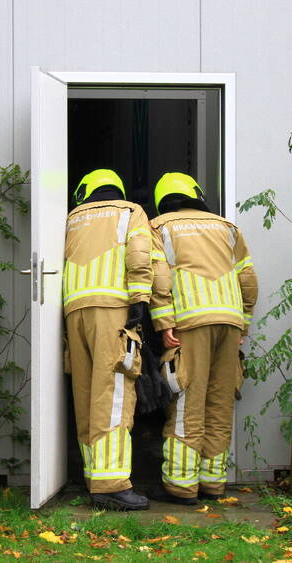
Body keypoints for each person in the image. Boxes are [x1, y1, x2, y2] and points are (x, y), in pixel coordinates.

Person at [146, 172, 258, 505]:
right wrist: (244, 325)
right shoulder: (227, 228)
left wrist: (164, 321)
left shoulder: (158, 227)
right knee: (220, 401)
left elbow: (159, 277)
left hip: (189, 324)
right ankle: (213, 483)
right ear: (197, 194)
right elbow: (248, 280)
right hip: (229, 321)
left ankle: (181, 486)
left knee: (186, 403)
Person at [63, 169, 152, 511]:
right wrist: (141, 301)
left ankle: (93, 476)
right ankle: (111, 485)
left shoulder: (72, 218)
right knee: (113, 393)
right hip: (113, 308)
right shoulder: (130, 211)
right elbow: (139, 254)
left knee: (85, 395)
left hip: (75, 311)